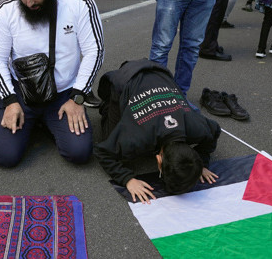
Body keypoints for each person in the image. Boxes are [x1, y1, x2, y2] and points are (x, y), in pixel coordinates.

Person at [0, 0, 104, 167]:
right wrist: (9, 100)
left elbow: (94, 50)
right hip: (22, 93)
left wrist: (78, 97)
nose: (29, 2)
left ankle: (46, 122)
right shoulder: (5, 9)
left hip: (64, 94)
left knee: (79, 153)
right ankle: (10, 115)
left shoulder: (80, 2)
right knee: (5, 157)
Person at [94, 59, 221, 202]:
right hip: (126, 77)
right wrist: (127, 179)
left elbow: (215, 131)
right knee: (110, 138)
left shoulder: (196, 127)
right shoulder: (137, 136)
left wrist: (201, 164)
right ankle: (107, 105)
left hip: (160, 73)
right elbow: (103, 151)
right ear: (158, 160)